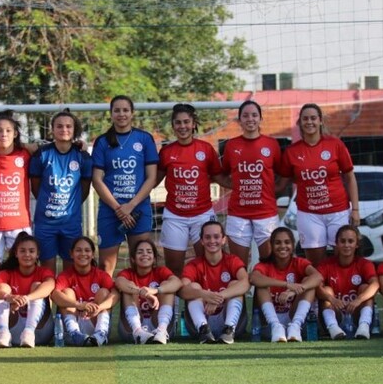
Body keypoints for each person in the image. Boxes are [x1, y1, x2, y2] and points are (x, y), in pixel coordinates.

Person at [282, 103, 360, 266]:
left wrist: (355, 209)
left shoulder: (335, 144)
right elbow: (284, 180)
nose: (309, 122)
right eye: (305, 119)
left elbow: (350, 177)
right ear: (299, 123)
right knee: (316, 263)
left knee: (343, 259)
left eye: (313, 118)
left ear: (320, 121)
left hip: (338, 211)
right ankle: (319, 291)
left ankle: (340, 291)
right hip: (309, 213)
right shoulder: (291, 152)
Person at [92, 95, 159, 276]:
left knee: (143, 266)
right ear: (111, 114)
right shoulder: (102, 141)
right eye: (117, 110)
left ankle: (139, 304)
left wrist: (131, 205)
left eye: (125, 110)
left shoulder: (144, 139)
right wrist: (118, 208)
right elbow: (97, 179)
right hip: (110, 211)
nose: (121, 114)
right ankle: (105, 305)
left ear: (132, 113)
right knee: (105, 268)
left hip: (138, 209)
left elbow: (151, 178)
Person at [156, 103, 224, 277]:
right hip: (174, 215)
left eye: (186, 122)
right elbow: (154, 180)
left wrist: (240, 183)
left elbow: (218, 176)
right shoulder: (166, 152)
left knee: (207, 265)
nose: (182, 126)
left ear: (194, 124)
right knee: (174, 269)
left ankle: (202, 301)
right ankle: (173, 303)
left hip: (202, 214)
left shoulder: (206, 149)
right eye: (178, 123)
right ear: (173, 126)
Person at [220, 100, 283, 267]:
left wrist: (273, 190)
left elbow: (284, 174)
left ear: (260, 118)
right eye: (245, 115)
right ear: (239, 120)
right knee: (238, 266)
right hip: (238, 214)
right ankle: (241, 293)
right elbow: (221, 173)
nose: (250, 119)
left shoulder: (271, 144)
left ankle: (263, 294)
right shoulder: (231, 145)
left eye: (254, 115)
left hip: (266, 213)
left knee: (270, 265)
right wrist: (236, 186)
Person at [29, 110, 92, 272]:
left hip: (70, 222)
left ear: (74, 129)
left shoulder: (82, 156)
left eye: (68, 126)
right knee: (47, 272)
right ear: (52, 129)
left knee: (70, 271)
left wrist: (72, 205)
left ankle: (66, 298)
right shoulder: (42, 154)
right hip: (45, 223)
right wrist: (48, 204)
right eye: (59, 126)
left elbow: (85, 187)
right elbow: (35, 186)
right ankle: (48, 298)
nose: (64, 129)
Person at [0, 110, 36, 275]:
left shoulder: (25, 155)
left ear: (15, 133)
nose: (4, 134)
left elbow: (48, 149)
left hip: (19, 225)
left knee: (22, 274)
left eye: (8, 130)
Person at [180, 221, 250, 344]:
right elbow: (182, 290)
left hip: (227, 317)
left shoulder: (232, 260)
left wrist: (219, 297)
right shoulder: (194, 264)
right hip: (202, 319)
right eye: (207, 237)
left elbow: (246, 283)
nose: (212, 241)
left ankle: (229, 329)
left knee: (235, 284)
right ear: (201, 241)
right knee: (193, 287)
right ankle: (203, 330)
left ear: (224, 240)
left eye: (216, 237)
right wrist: (204, 295)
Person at [250, 227, 322, 342]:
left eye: (287, 242)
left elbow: (318, 277)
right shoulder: (264, 265)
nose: (283, 246)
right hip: (269, 322)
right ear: (272, 246)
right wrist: (287, 285)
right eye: (278, 243)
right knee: (261, 286)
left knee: (308, 284)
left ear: (293, 245)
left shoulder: (299, 262)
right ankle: (275, 326)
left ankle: (296, 325)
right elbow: (253, 278)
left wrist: (294, 290)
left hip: (293, 315)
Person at [0, 232, 55, 348]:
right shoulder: (6, 273)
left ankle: (29, 331)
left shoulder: (43, 272)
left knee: (37, 286)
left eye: (31, 251)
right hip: (14, 332)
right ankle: (3, 333)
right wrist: (9, 297)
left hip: (39, 331)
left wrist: (26, 298)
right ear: (16, 253)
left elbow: (50, 285)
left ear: (38, 254)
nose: (27, 254)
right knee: (2, 289)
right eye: (22, 251)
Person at [51, 236, 118, 346]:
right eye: (78, 250)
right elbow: (54, 295)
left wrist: (99, 307)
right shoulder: (65, 275)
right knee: (67, 292)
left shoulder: (101, 275)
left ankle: (101, 333)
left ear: (92, 254)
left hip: (94, 320)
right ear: (71, 254)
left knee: (104, 292)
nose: (83, 254)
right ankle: (74, 333)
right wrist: (78, 305)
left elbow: (115, 294)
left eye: (87, 250)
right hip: (75, 321)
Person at [316, 225, 378, 339]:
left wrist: (358, 300)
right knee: (327, 290)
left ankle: (363, 327)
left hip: (355, 314)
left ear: (357, 244)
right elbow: (316, 287)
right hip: (336, 314)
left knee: (365, 287)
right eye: (342, 241)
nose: (346, 245)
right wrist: (332, 299)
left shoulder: (365, 264)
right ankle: (333, 328)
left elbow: (375, 284)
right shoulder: (325, 264)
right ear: (336, 243)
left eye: (350, 241)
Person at [115, 239, 182, 345]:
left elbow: (177, 282)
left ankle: (162, 330)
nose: (145, 254)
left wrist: (156, 290)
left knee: (166, 286)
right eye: (140, 252)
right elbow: (119, 282)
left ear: (154, 258)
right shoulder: (127, 273)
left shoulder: (161, 271)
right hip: (131, 328)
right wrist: (142, 292)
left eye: (149, 252)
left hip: (157, 320)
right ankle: (138, 332)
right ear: (133, 258)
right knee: (129, 287)